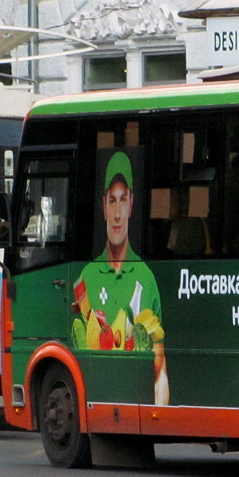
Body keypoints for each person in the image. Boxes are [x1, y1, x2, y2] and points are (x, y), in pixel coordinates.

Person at [75, 151, 169, 405]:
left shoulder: (145, 278)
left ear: (131, 205)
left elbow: (159, 367)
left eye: (123, 199)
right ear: (103, 207)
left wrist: (158, 417)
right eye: (112, 200)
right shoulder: (87, 277)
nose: (117, 213)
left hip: (136, 403)